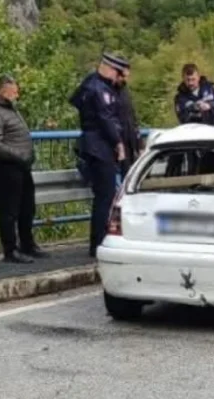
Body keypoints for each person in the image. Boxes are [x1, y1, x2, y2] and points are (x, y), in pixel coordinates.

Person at [0, 75, 49, 263]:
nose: (17, 95)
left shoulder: (8, 109)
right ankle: (10, 250)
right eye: (14, 91)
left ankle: (28, 244)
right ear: (3, 90)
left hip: (20, 166)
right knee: (9, 210)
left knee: (27, 207)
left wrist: (26, 156)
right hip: (6, 167)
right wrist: (19, 155)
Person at [69, 53, 129, 257]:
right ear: (110, 69)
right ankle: (98, 243)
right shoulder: (99, 89)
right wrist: (118, 143)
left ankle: (98, 241)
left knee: (103, 197)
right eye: (118, 72)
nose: (117, 78)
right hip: (100, 146)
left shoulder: (88, 84)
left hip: (91, 144)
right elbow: (106, 119)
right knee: (105, 197)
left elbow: (75, 101)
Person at [114, 68, 142, 173]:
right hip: (117, 144)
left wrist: (139, 144)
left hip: (130, 143)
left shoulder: (124, 90)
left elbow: (132, 117)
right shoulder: (108, 92)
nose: (125, 79)